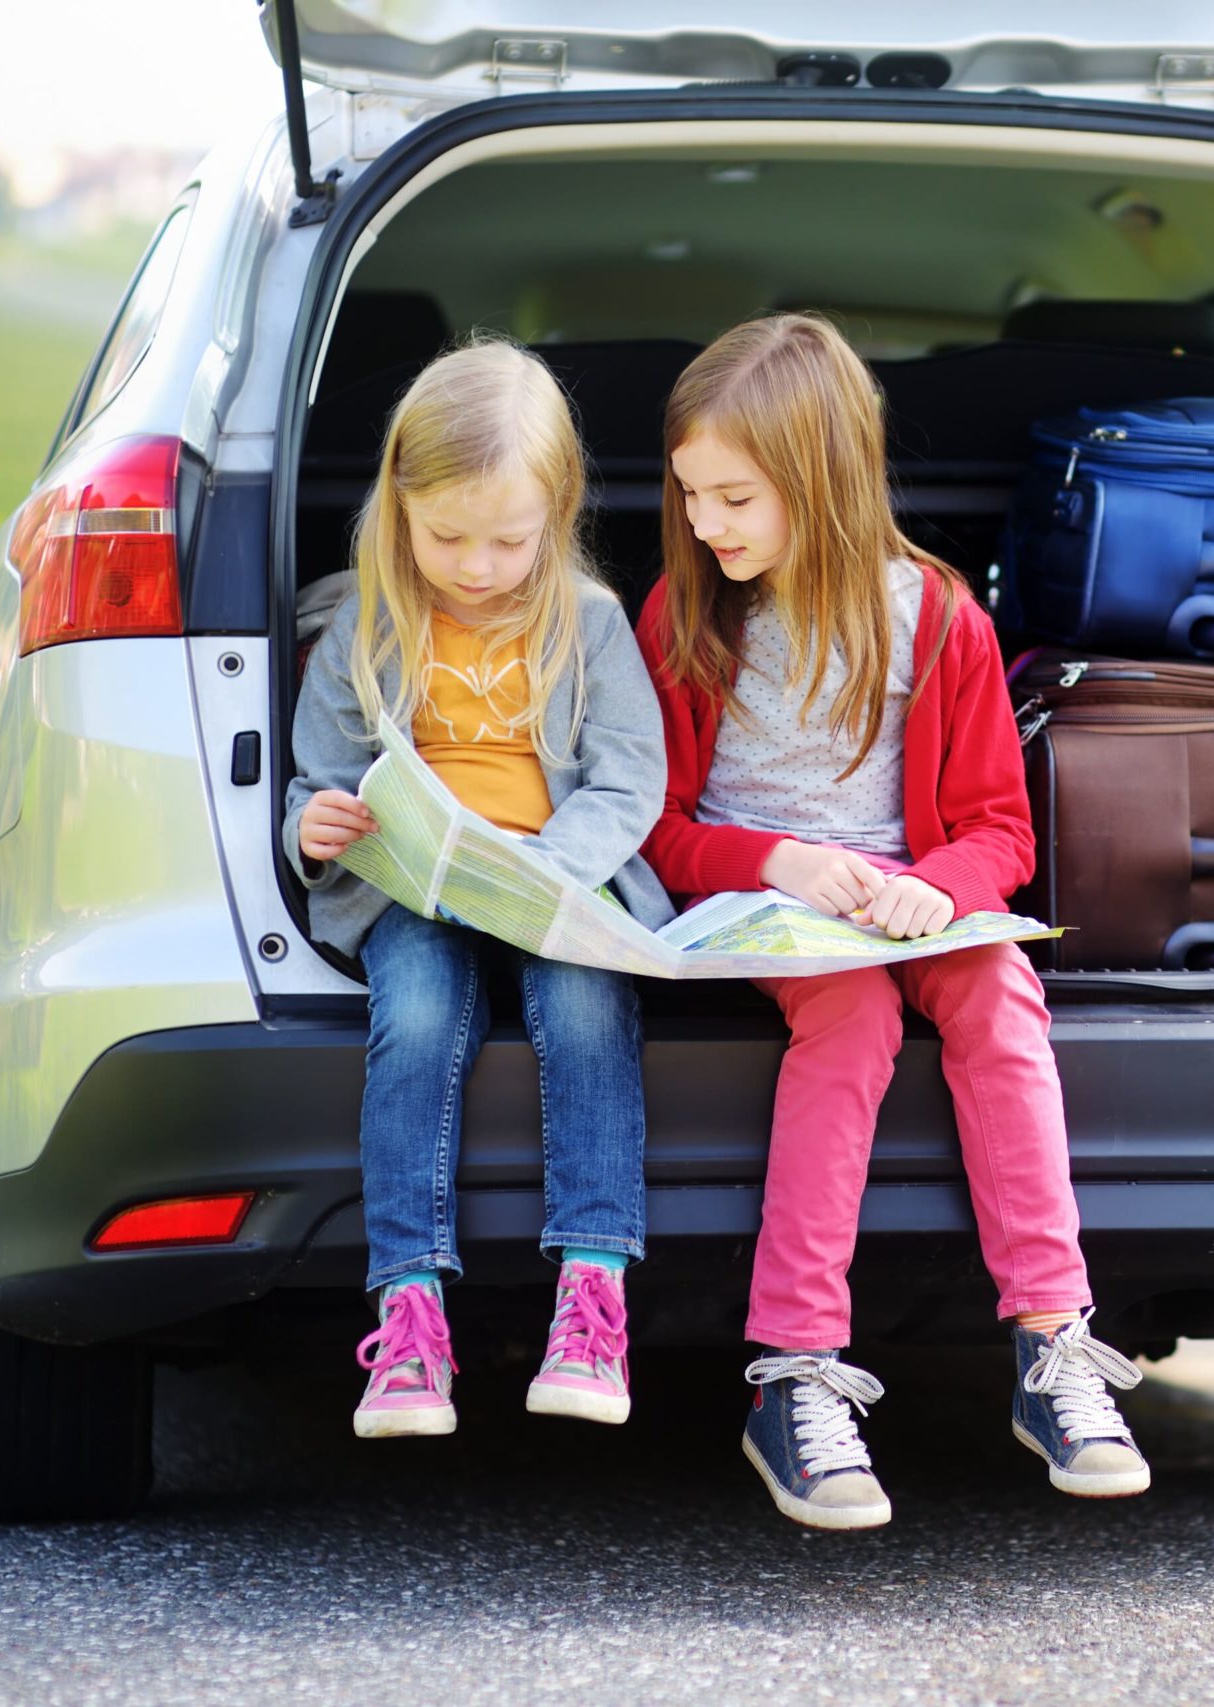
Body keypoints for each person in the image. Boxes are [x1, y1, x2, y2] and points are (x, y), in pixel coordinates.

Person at [635, 314, 1148, 1530]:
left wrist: (943, 887)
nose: (706, 523)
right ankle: (795, 1369)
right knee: (853, 1020)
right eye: (691, 495)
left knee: (998, 994)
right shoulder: (686, 614)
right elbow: (651, 828)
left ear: (820, 479)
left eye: (733, 498)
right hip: (761, 909)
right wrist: (779, 861)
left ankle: (1052, 1342)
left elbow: (1000, 835)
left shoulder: (938, 618)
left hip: (906, 904)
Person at [282, 339, 672, 1439]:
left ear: (557, 514)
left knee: (589, 1010)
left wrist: (548, 865)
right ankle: (408, 1314)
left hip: (551, 880)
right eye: (446, 536)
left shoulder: (587, 621)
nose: (478, 564)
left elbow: (629, 775)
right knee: (410, 1020)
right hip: (411, 889)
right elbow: (319, 779)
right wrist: (314, 829)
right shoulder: (363, 622)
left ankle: (593, 1296)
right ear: (397, 508)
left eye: (509, 539)